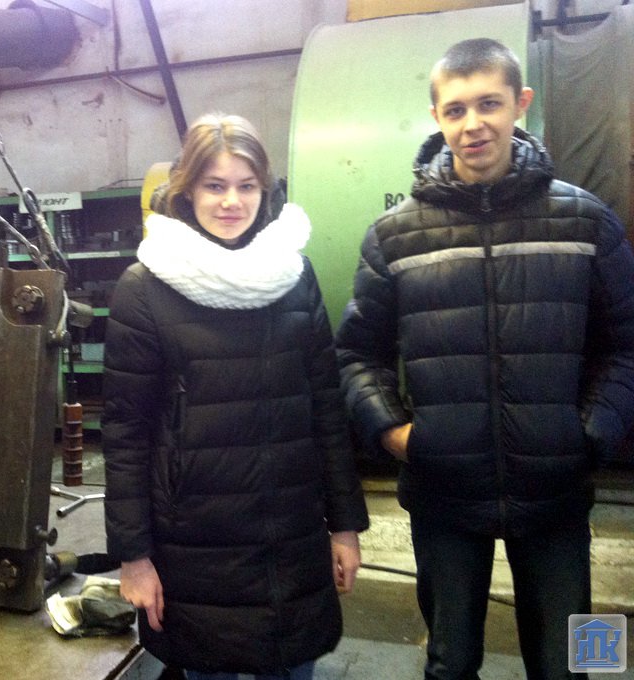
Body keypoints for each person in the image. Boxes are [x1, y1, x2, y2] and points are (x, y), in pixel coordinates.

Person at [336, 38, 634, 680]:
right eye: (456, 109)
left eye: (489, 104)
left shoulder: (587, 220)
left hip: (559, 490)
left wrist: (590, 434)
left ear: (521, 103)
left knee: (580, 661)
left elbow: (627, 344)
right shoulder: (395, 236)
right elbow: (357, 352)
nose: (473, 124)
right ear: (437, 117)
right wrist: (394, 432)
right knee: (449, 663)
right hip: (444, 492)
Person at [101, 112, 369, 679]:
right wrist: (134, 557)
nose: (231, 202)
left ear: (264, 190)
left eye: (246, 186)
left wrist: (345, 526)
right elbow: (125, 436)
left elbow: (327, 407)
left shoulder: (293, 276)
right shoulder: (146, 288)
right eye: (214, 185)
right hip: (196, 548)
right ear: (187, 190)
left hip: (291, 537)